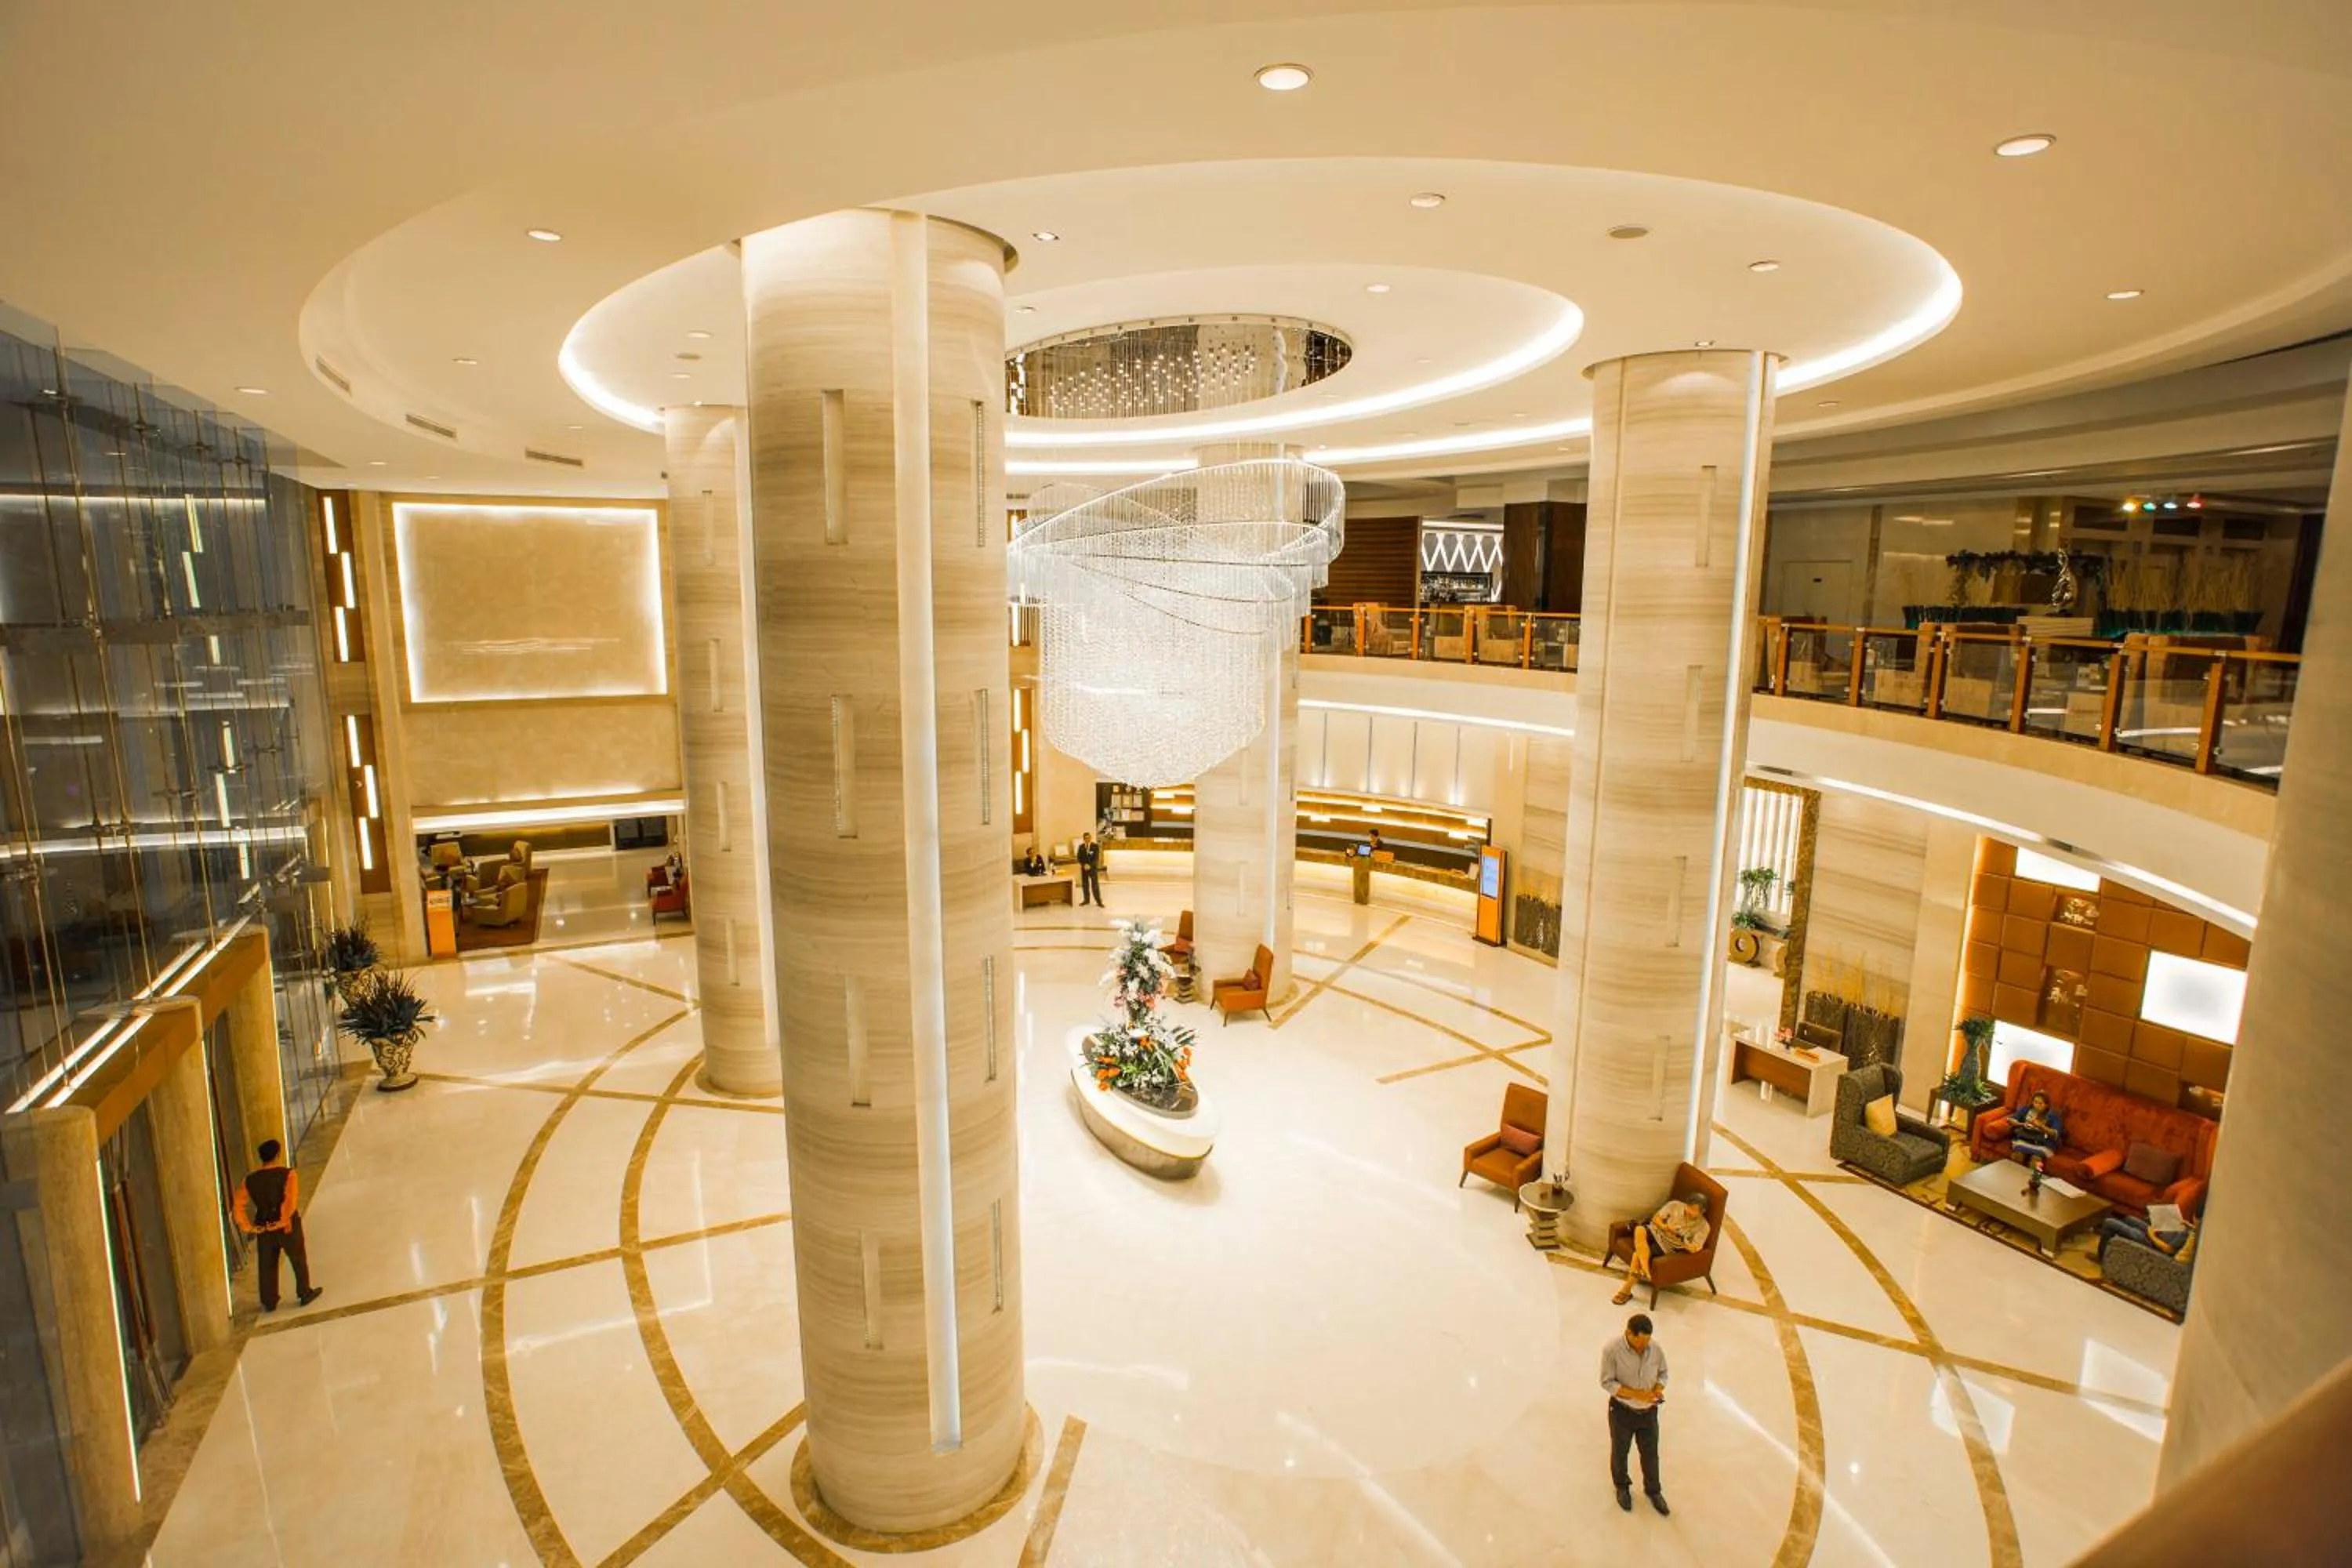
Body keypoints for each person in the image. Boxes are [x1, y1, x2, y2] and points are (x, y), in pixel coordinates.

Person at [234, 1138, 321, 1312]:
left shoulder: (249, 1180)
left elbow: (238, 1206)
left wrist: (248, 1227)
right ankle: (304, 1292)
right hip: (287, 1227)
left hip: (263, 1228)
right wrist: (282, 1221)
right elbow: (290, 1202)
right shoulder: (288, 1175)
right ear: (278, 1155)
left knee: (267, 1264)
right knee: (298, 1259)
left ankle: (269, 1300)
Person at [1599, 1312, 1671, 1515]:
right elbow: (1607, 1382)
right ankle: (1622, 1486)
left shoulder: (1655, 1348)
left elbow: (1663, 1373)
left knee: (1651, 1454)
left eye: (1647, 1342)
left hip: (1649, 1413)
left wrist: (1658, 1388)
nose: (1643, 1347)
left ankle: (1653, 1490)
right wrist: (1637, 1395)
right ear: (1628, 1333)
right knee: (1620, 1452)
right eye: (1640, 1343)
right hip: (1622, 1412)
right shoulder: (1612, 1350)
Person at [1612, 1189, 1712, 1307]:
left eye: (1693, 1210)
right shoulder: (1674, 1205)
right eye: (1688, 1207)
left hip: (1667, 1245)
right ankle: (1646, 1271)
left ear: (1702, 1212)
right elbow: (1656, 1219)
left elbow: (1695, 1248)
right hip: (1656, 1231)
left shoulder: (1704, 1227)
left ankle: (1625, 1291)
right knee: (1639, 1230)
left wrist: (1681, 1239)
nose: (1689, 1211)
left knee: (1636, 1256)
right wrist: (1665, 1227)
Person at [2099, 1209, 2198, 1266]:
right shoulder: (2194, 1230)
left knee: (2109, 1223)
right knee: (2129, 1218)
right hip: (2157, 1236)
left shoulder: (2190, 1234)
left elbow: (2168, 1250)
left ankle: (2103, 1259)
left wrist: (2152, 1235)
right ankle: (2111, 1252)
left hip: (2152, 1245)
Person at [2009, 1090, 2066, 1168]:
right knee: (2017, 1156)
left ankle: (2033, 1175)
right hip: (2025, 1139)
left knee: (2035, 1160)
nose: (2037, 1105)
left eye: (2040, 1103)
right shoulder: (2026, 1110)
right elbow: (2011, 1120)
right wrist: (2022, 1124)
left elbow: (2055, 1133)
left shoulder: (2053, 1116)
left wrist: (2041, 1126)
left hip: (2043, 1144)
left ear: (2046, 1105)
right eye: (2035, 1102)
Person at [1076, 833, 1103, 906]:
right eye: (1086, 838)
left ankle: (1099, 901)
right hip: (1084, 869)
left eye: (1089, 838)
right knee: (1085, 885)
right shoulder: (1081, 847)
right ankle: (1086, 900)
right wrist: (1084, 865)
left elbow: (1096, 858)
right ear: (1084, 839)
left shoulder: (1095, 846)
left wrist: (1090, 865)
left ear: (1091, 838)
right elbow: (1079, 858)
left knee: (1095, 885)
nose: (1087, 839)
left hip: (1092, 869)